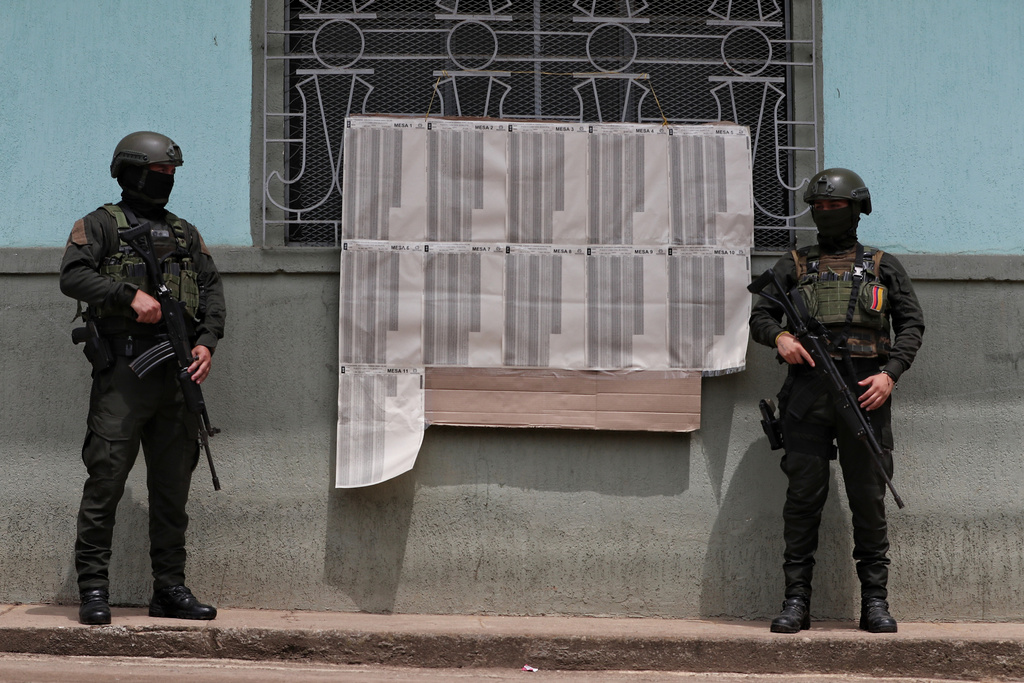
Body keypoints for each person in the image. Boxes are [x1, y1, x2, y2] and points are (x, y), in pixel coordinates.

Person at [60, 131, 226, 625]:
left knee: (172, 488)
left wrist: (207, 342)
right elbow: (72, 276)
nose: (166, 183)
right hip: (124, 378)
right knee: (106, 481)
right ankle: (93, 588)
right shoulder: (99, 225)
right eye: (159, 174)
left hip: (177, 378)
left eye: (171, 175)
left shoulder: (184, 233)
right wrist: (127, 295)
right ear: (131, 173)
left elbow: (213, 290)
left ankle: (169, 589)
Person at [749, 168, 924, 634]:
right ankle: (795, 602)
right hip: (808, 395)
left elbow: (911, 326)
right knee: (803, 498)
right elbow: (759, 317)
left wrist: (890, 374)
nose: (827, 214)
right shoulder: (793, 265)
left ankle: (875, 602)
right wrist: (781, 336)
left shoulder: (884, 266)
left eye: (836, 206)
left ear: (856, 209)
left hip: (867, 393)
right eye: (820, 207)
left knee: (868, 498)